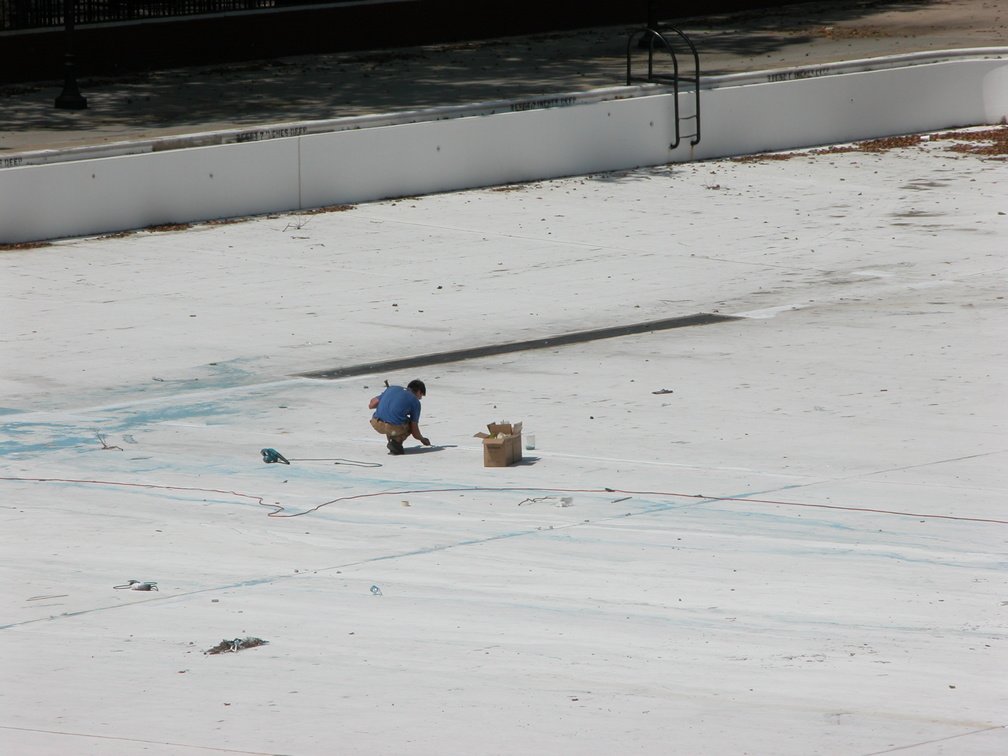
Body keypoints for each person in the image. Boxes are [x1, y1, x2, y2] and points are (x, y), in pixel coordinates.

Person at [368, 379, 431, 455]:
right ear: (418, 392)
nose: (419, 398)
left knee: (395, 418)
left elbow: (372, 405)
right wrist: (422, 439)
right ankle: (396, 442)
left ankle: (392, 441)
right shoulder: (415, 402)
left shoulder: (392, 389)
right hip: (392, 427)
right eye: (420, 396)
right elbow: (415, 430)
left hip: (376, 423)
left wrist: (388, 401)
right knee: (407, 422)